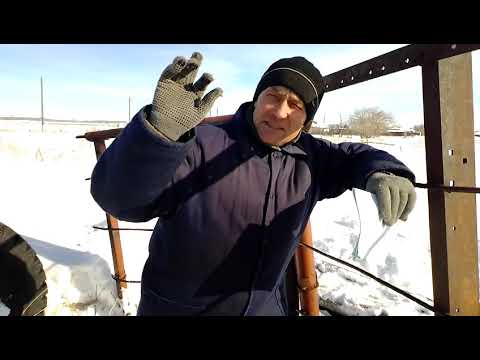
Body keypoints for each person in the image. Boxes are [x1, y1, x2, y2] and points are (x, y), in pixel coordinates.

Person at [90, 52, 417, 316]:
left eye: (296, 105)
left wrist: (384, 171)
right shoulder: (199, 143)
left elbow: (354, 155)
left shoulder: (313, 157)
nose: (279, 112)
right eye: (272, 96)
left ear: (308, 120)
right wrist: (158, 136)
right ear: (257, 97)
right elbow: (121, 201)